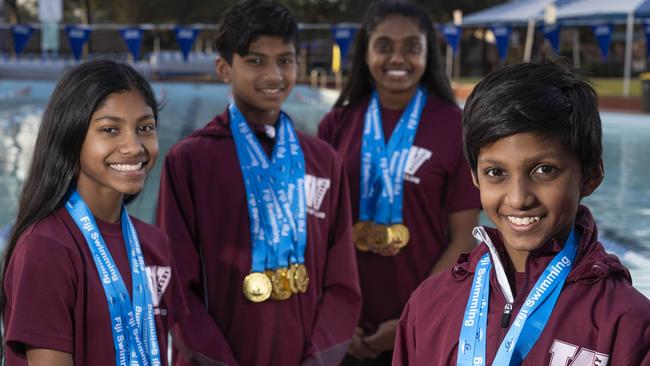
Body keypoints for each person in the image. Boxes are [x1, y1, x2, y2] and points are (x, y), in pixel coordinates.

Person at [393, 58, 650, 365]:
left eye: (544, 170)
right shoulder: (430, 304)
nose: (518, 198)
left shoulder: (627, 324)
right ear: (474, 176)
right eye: (496, 172)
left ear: (590, 176)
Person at [156, 1, 362, 365]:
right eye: (255, 61)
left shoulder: (323, 161)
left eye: (285, 60)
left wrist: (319, 359)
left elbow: (342, 282)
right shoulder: (190, 161)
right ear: (224, 68)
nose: (273, 75)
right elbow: (175, 285)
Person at [317, 1, 480, 363]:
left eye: (412, 47)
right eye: (384, 46)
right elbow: (319, 231)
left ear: (428, 54)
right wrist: (338, 313)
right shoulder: (337, 123)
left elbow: (464, 237)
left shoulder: (454, 126)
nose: (397, 58)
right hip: (344, 325)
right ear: (366, 53)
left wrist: (413, 314)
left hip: (424, 319)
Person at [1, 59, 187, 365]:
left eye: (145, 127)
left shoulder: (153, 244)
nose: (133, 145)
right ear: (71, 137)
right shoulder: (47, 247)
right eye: (110, 129)